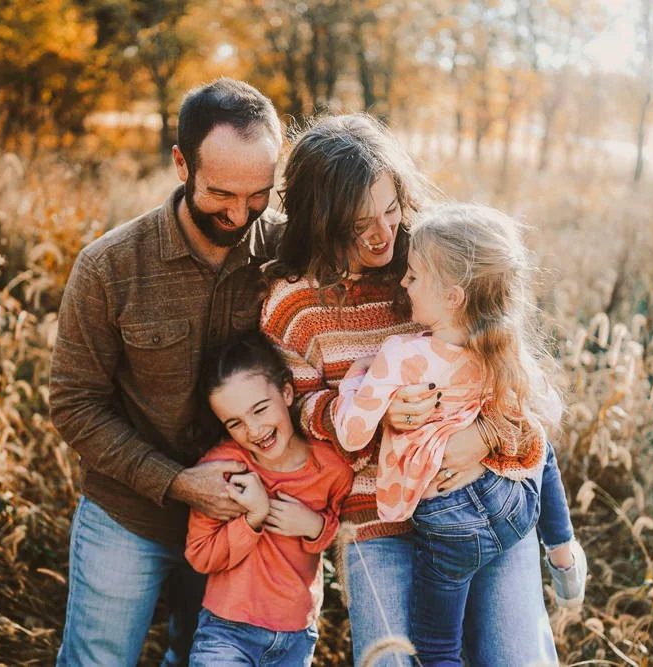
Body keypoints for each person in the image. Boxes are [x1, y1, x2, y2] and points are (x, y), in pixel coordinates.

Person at [260, 114, 563, 666]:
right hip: (378, 514)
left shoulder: (439, 258)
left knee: (514, 658)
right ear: (321, 219)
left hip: (483, 492)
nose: (383, 235)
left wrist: (485, 434)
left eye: (391, 210)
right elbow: (298, 406)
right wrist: (373, 412)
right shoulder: (294, 305)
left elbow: (514, 376)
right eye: (358, 224)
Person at [49, 78, 283, 666]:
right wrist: (177, 483)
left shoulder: (287, 252)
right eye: (222, 193)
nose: (239, 214)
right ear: (181, 163)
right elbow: (74, 404)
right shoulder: (109, 267)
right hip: (128, 515)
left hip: (246, 517)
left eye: (259, 195)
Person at [332, 202, 587, 663]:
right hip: (514, 509)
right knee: (539, 451)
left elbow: (351, 435)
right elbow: (547, 412)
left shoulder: (399, 354)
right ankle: (564, 551)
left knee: (435, 645)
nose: (403, 282)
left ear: (451, 296)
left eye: (412, 275)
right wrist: (492, 430)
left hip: (447, 528)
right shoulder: (503, 351)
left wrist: (357, 380)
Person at [184, 333, 353, 666]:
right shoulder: (220, 470)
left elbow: (351, 541)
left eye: (260, 409)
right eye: (235, 423)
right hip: (227, 631)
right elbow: (200, 554)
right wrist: (252, 520)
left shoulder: (331, 467)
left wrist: (315, 525)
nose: (254, 429)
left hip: (297, 637)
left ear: (286, 393)